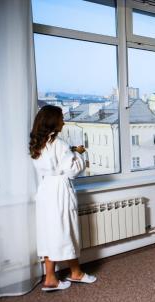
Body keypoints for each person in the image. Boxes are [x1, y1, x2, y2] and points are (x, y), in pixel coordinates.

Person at [29, 105, 96, 291]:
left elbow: (53, 161)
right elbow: (72, 171)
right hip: (59, 190)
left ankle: (50, 278)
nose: (63, 122)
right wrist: (78, 154)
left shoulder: (38, 143)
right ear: (53, 121)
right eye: (61, 118)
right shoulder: (60, 144)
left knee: (48, 232)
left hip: (45, 190)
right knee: (66, 230)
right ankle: (76, 273)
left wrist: (70, 151)